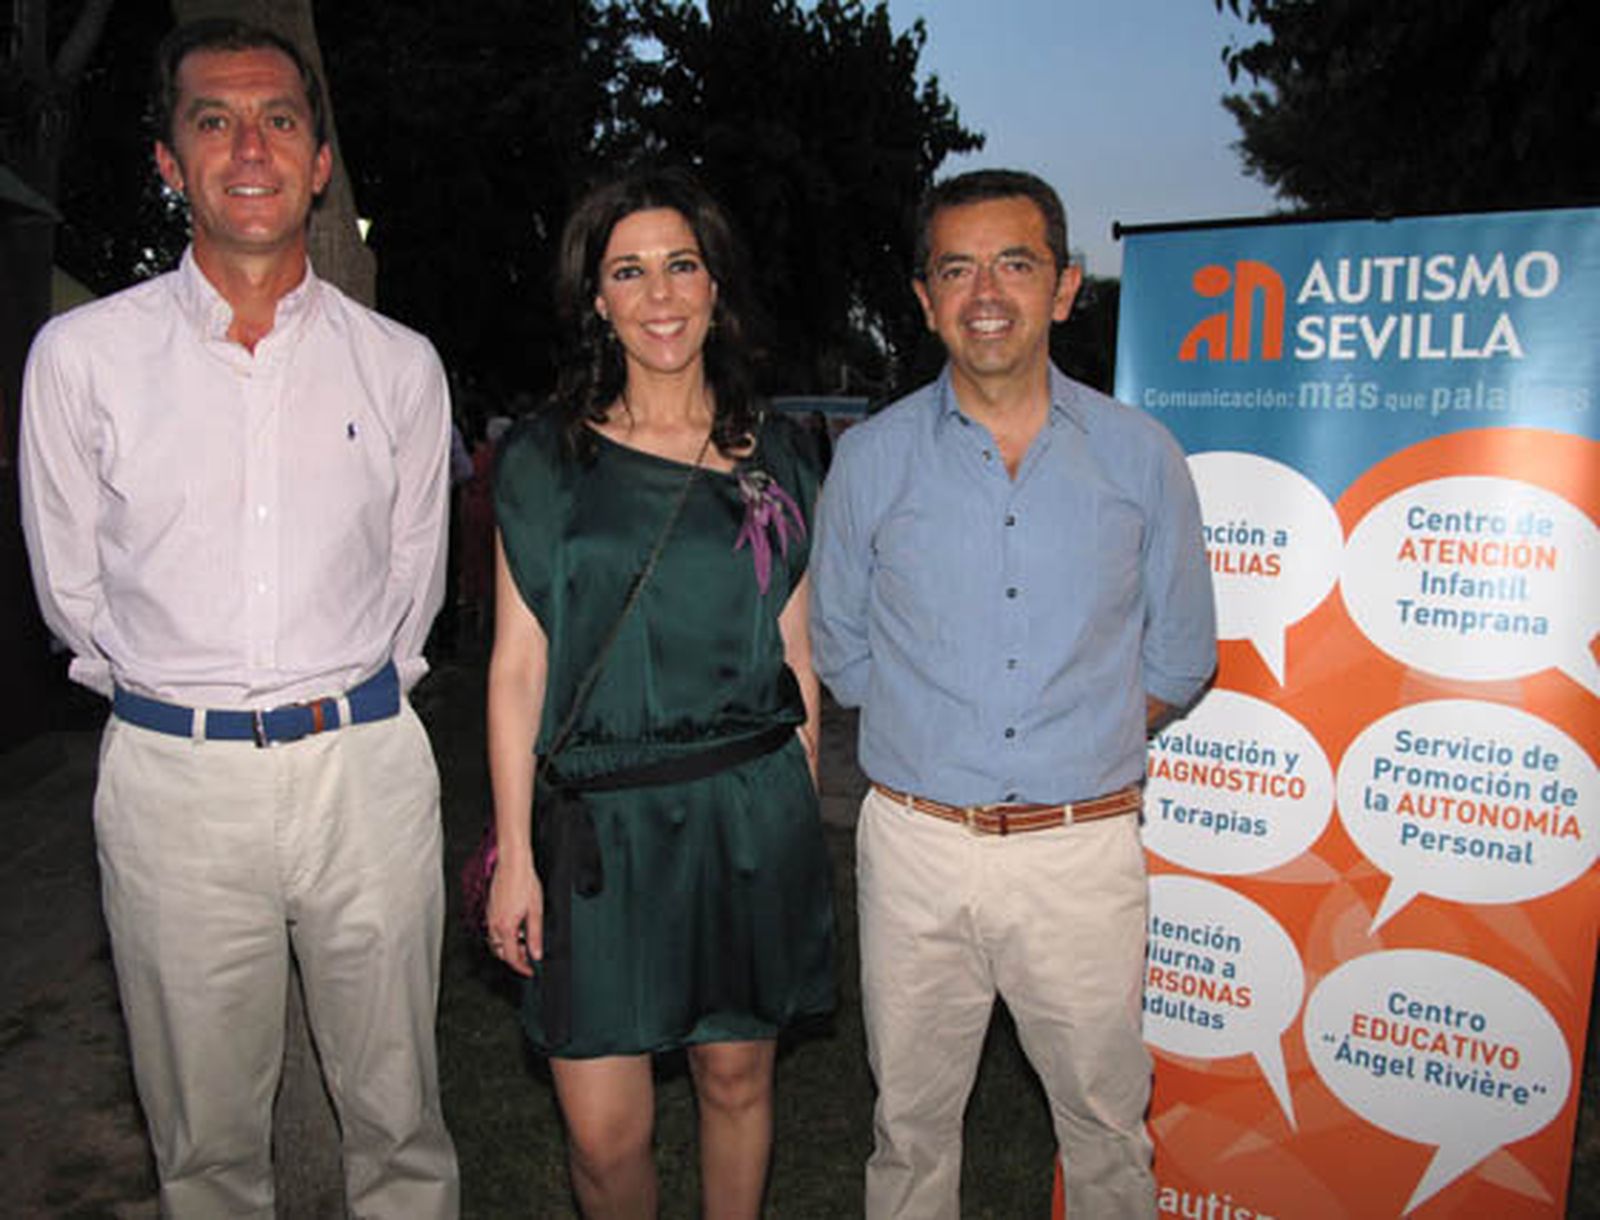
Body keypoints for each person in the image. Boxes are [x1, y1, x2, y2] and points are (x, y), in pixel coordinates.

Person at [18, 18, 458, 1218]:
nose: (248, 145)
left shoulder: (401, 366)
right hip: (175, 783)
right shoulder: (81, 360)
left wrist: (345, 704)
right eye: (213, 119)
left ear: (320, 160)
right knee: (204, 1153)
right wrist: (182, 705)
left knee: (401, 1126)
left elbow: (415, 583)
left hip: (362, 769)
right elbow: (73, 594)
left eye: (279, 119)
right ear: (170, 160)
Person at [811, 169, 1216, 1219]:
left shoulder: (1141, 457)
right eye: (957, 267)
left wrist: (1071, 742)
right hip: (913, 851)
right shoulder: (869, 459)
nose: (985, 290)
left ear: (1065, 286)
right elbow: (842, 652)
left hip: (1079, 856)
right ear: (924, 296)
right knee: (908, 1131)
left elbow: (1179, 657)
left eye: (1016, 263)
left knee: (1104, 1130)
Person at [484, 164, 835, 1219]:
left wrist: (798, 824)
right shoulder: (546, 459)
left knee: (737, 1079)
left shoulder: (778, 455)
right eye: (628, 271)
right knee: (605, 1136)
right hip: (599, 834)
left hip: (746, 809)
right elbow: (515, 668)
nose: (661, 294)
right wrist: (514, 856)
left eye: (681, 264)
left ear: (715, 282)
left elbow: (797, 655)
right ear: (597, 298)